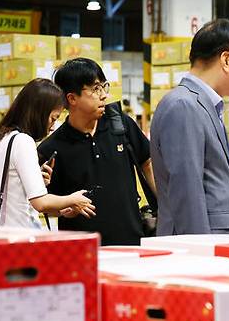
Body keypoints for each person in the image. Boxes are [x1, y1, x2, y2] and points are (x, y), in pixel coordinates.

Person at [150, 19, 229, 235]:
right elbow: (186, 191)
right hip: (203, 245)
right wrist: (199, 252)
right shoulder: (184, 105)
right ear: (226, 59)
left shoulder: (202, 103)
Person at [38, 58, 155, 245]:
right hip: (81, 250)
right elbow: (47, 204)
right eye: (95, 89)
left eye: (104, 87)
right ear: (72, 98)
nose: (104, 95)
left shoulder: (121, 124)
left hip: (131, 242)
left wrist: (166, 207)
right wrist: (63, 208)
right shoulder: (52, 148)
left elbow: (147, 163)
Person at [0, 78, 94, 228]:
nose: (52, 126)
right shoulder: (23, 141)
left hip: (6, 239)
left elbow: (14, 199)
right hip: (24, 240)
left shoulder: (1, 142)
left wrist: (38, 183)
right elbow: (40, 203)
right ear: (39, 113)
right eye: (53, 118)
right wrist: (73, 199)